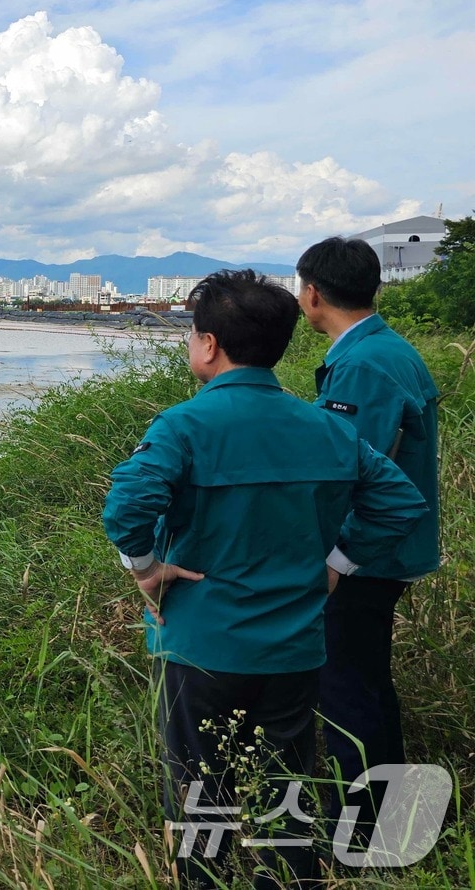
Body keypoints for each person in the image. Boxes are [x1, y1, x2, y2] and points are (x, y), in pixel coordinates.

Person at [103, 269, 426, 887]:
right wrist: (338, 565)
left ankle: (206, 880)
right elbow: (401, 504)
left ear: (209, 343)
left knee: (200, 784)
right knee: (289, 782)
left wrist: (146, 569)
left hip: (201, 640)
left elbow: (126, 508)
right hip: (294, 642)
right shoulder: (329, 428)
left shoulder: (184, 425)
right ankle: (289, 877)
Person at [296, 237, 440, 836]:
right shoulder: (384, 349)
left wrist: (337, 557)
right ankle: (392, 812)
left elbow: (352, 472)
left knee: (346, 689)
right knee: (367, 679)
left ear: (311, 295)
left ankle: (357, 829)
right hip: (385, 549)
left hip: (366, 554)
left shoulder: (361, 364)